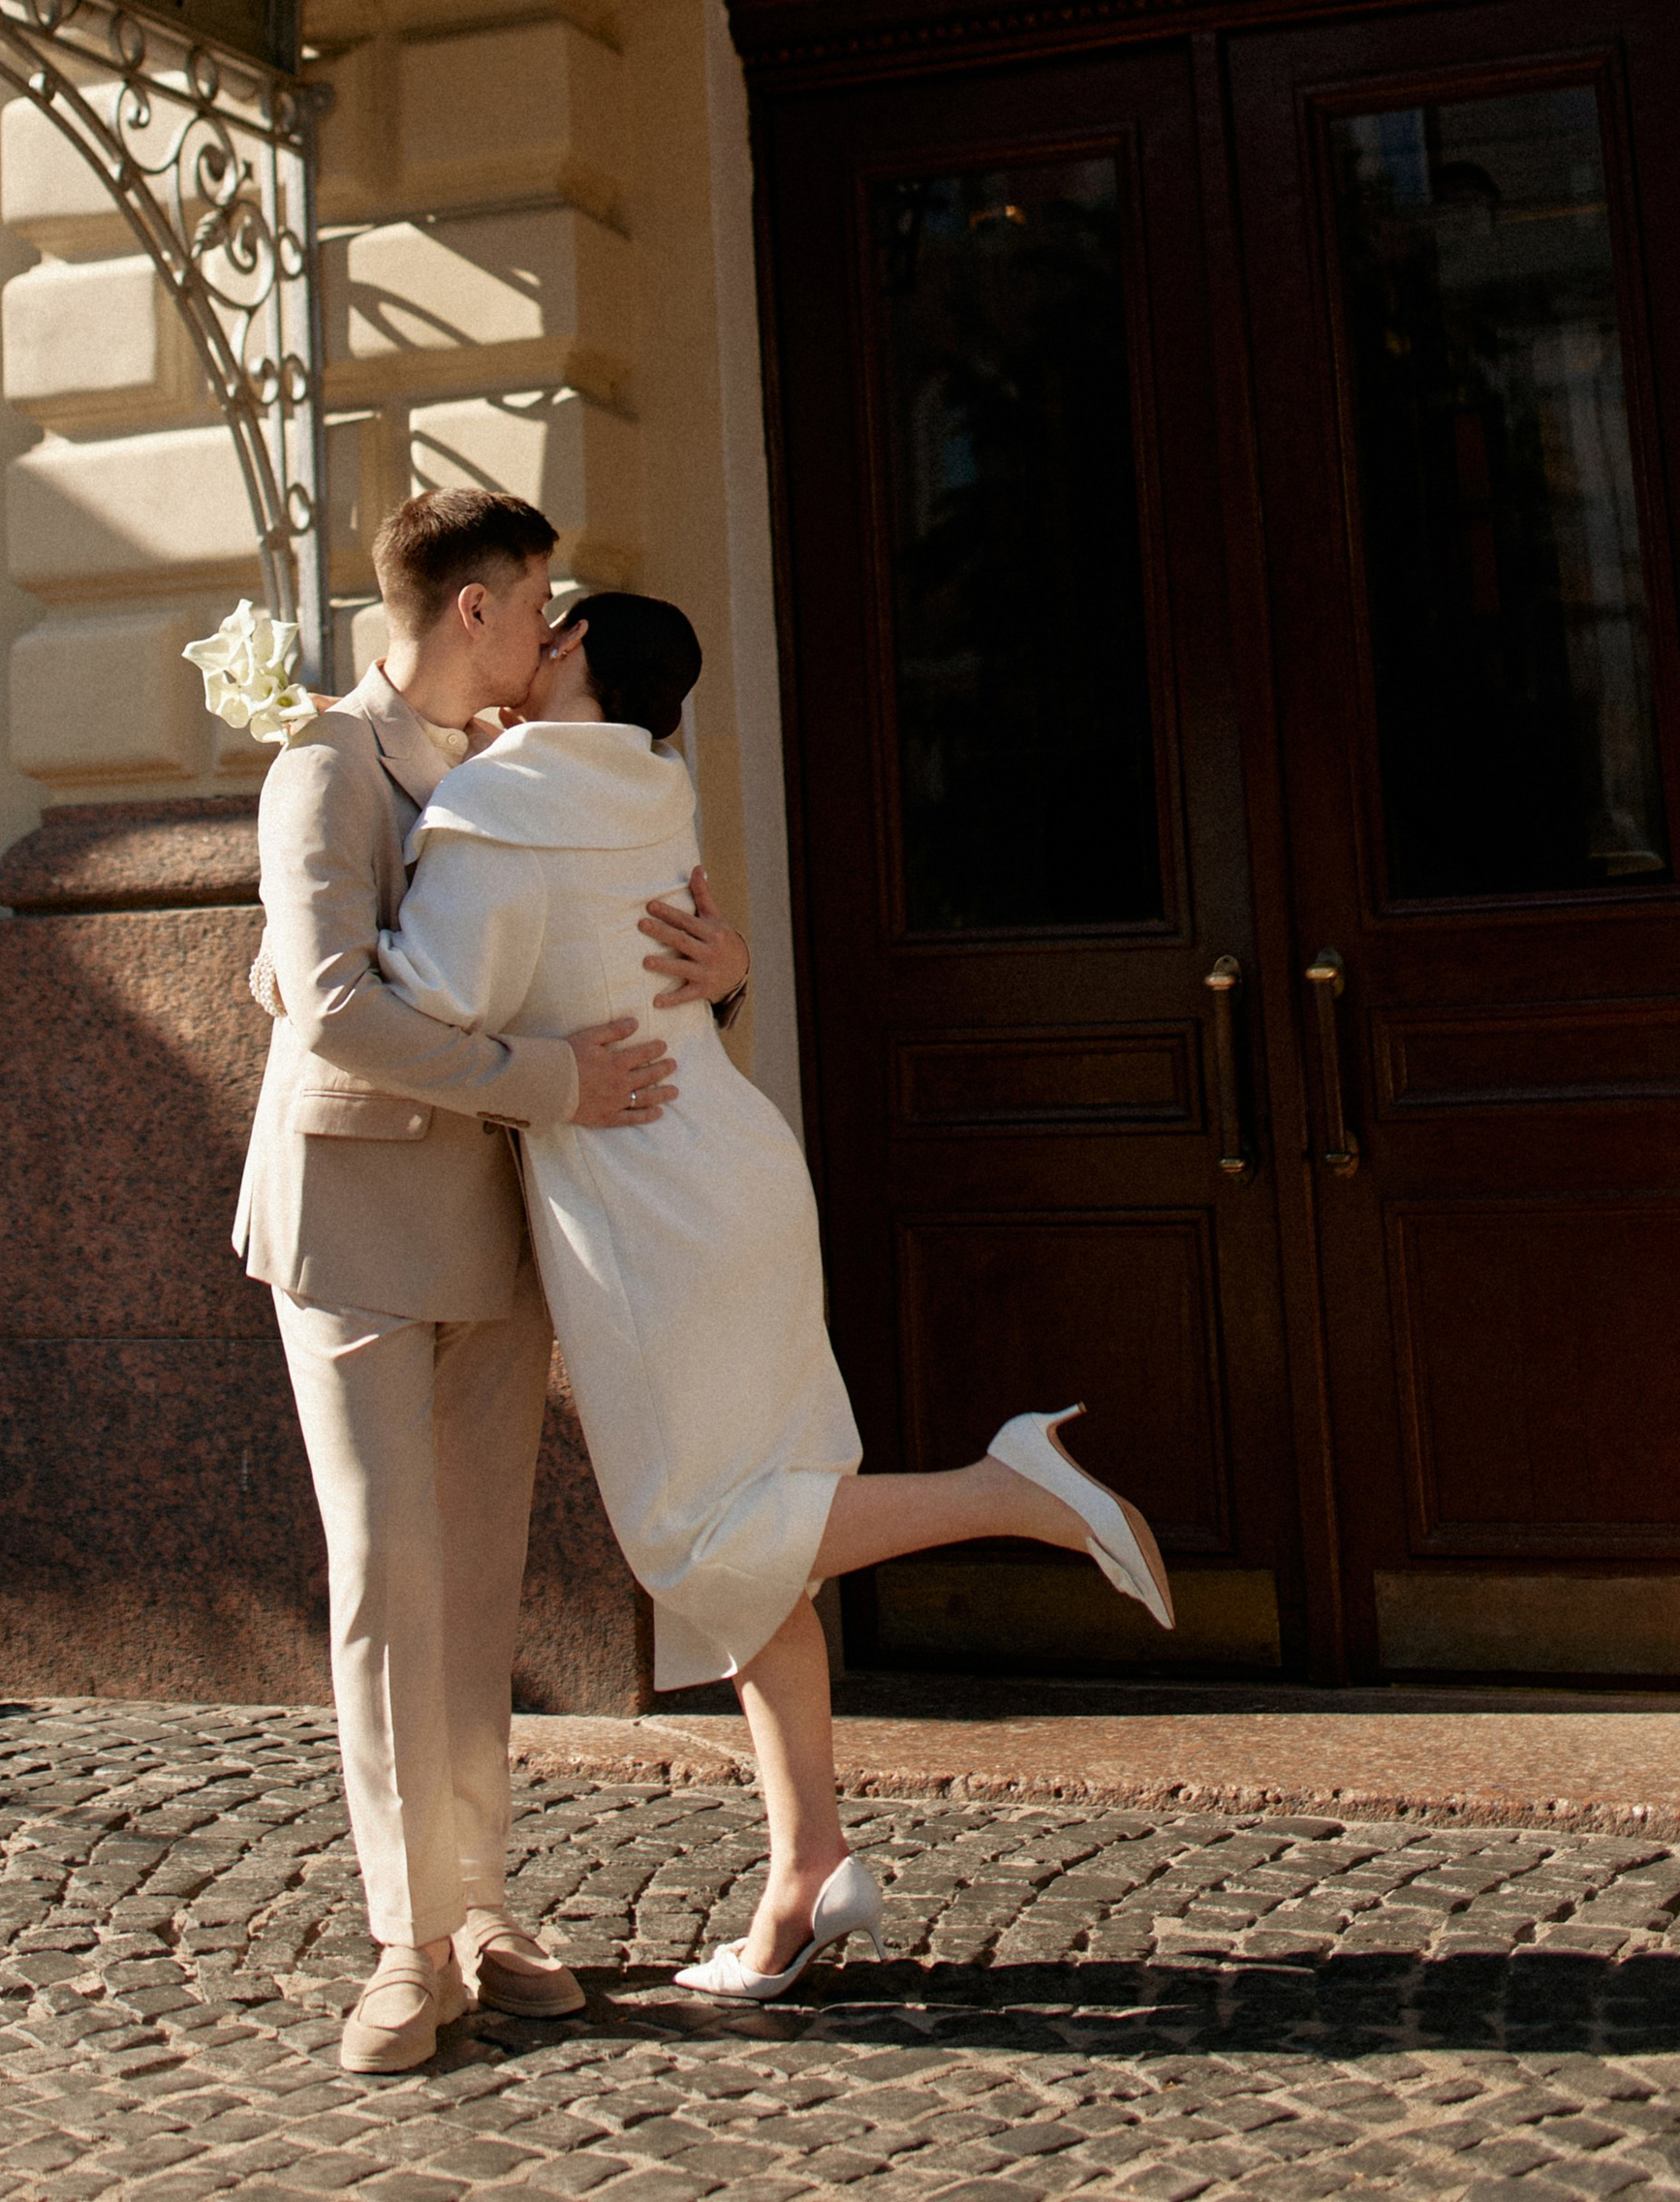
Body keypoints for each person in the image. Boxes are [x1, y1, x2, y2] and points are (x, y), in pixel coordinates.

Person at [379, 587, 1177, 2000]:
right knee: (767, 1534)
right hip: (733, 1165)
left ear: (564, 650)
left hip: (647, 1204)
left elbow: (431, 992)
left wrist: (291, 954)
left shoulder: (501, 797)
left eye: (548, 624)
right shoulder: (652, 783)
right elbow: (641, 948)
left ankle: (1011, 1487)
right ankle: (806, 1861)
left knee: (700, 1534)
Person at [234, 491, 751, 2072]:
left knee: (473, 1584)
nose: (555, 628)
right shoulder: (325, 765)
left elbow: (633, 961)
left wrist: (720, 983)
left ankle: (474, 1904)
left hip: (499, 1220)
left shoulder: (531, 764)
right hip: (352, 1217)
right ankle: (402, 1943)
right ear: (477, 608)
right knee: (387, 1573)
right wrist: (550, 1079)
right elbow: (325, 1008)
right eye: (540, 601)